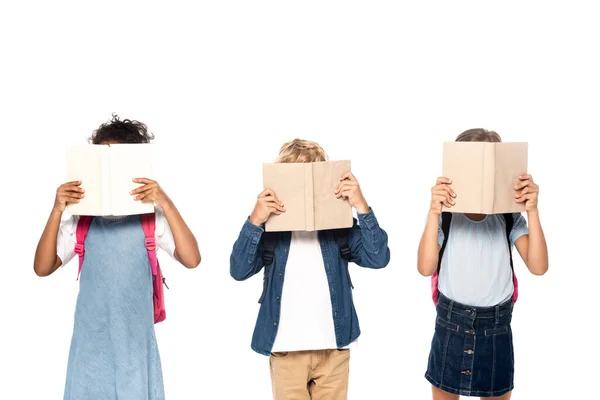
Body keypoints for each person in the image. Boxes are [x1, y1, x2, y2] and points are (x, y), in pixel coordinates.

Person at [33, 115, 201, 400]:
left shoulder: (151, 221)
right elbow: (42, 267)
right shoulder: (82, 222)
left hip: (135, 349)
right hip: (90, 350)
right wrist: (58, 208)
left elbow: (192, 258)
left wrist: (164, 202)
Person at [230, 138, 390, 400]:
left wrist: (361, 206)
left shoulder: (339, 227)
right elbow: (238, 270)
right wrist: (254, 220)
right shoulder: (269, 231)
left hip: (333, 351)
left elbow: (379, 257)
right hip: (286, 352)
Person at [418, 129, 549, 400]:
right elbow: (424, 267)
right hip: (450, 322)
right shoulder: (447, 217)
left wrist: (532, 211)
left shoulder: (508, 217)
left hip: (496, 324)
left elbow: (538, 266)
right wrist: (433, 212)